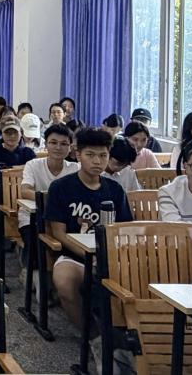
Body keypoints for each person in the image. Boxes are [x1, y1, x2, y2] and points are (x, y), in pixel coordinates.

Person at [43, 128, 133, 326]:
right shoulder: (61, 187)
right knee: (64, 280)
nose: (97, 161)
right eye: (90, 155)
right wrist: (91, 257)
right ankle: (90, 333)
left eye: (103, 155)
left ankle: (124, 332)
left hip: (110, 257)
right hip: (73, 256)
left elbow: (125, 230)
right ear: (78, 155)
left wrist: (108, 258)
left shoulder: (115, 190)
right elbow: (59, 233)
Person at [19, 124, 79, 236]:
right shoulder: (33, 165)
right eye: (53, 142)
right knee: (37, 242)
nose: (58, 147)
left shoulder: (76, 168)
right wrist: (53, 201)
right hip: (33, 217)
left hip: (65, 219)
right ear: (46, 144)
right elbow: (25, 191)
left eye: (64, 144)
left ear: (70, 147)